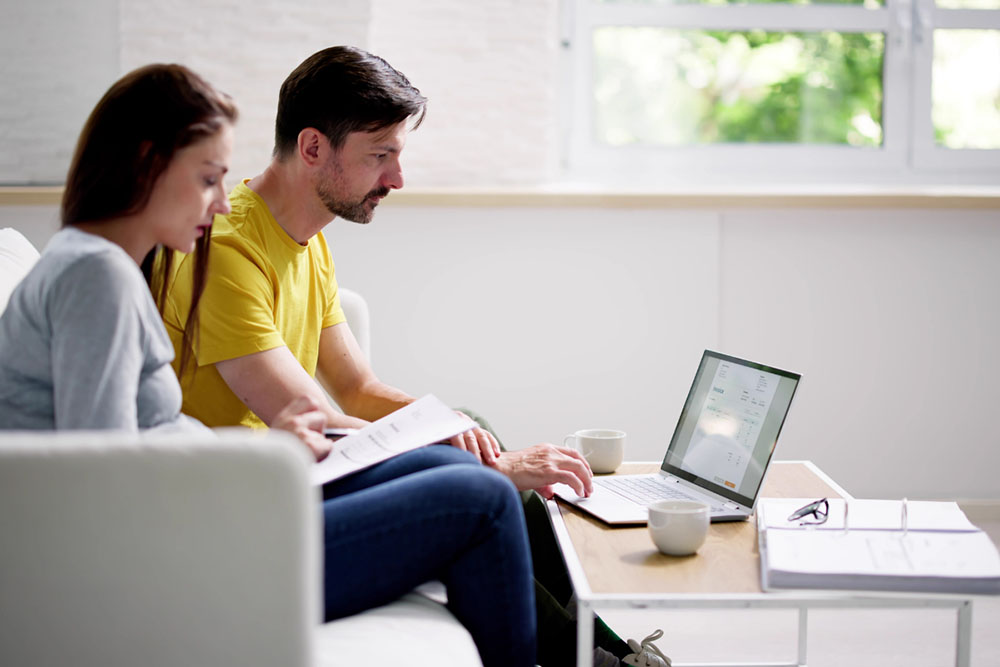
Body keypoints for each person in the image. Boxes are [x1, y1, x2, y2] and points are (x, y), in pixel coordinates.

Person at [0, 64, 538, 667]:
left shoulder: (103, 268)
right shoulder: (95, 276)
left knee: (455, 460)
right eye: (207, 178)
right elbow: (101, 478)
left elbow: (127, 453)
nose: (220, 201)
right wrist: (258, 458)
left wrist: (268, 452)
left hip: (210, 516)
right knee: (479, 496)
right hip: (184, 560)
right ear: (149, 164)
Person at [158, 46, 669, 667]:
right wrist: (495, 464)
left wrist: (467, 435)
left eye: (398, 156)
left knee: (469, 424)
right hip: (255, 504)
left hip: (294, 484)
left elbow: (356, 387)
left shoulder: (303, 236)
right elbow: (302, 416)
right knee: (482, 478)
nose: (397, 179)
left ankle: (606, 653)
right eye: (381, 156)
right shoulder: (233, 251)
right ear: (314, 147)